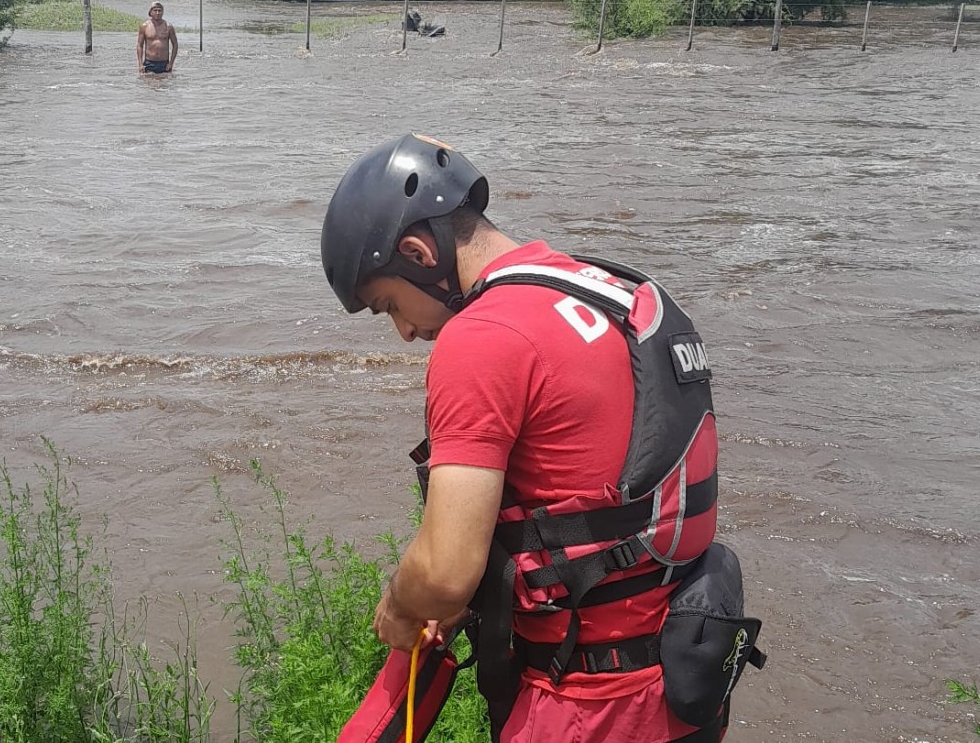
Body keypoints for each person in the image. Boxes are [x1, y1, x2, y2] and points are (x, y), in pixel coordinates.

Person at [320, 134, 762, 743]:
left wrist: (400, 605)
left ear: (419, 254)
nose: (402, 331)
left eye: (388, 305)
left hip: (584, 704)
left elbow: (446, 572)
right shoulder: (616, 294)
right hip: (688, 682)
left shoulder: (483, 337)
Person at [136, 1, 177, 75]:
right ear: (150, 12)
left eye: (160, 10)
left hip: (164, 64)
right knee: (148, 84)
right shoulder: (144, 26)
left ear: (163, 12)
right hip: (149, 63)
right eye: (155, 10)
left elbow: (175, 45)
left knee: (165, 84)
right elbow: (140, 45)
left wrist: (171, 63)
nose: (157, 13)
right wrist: (140, 64)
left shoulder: (169, 27)